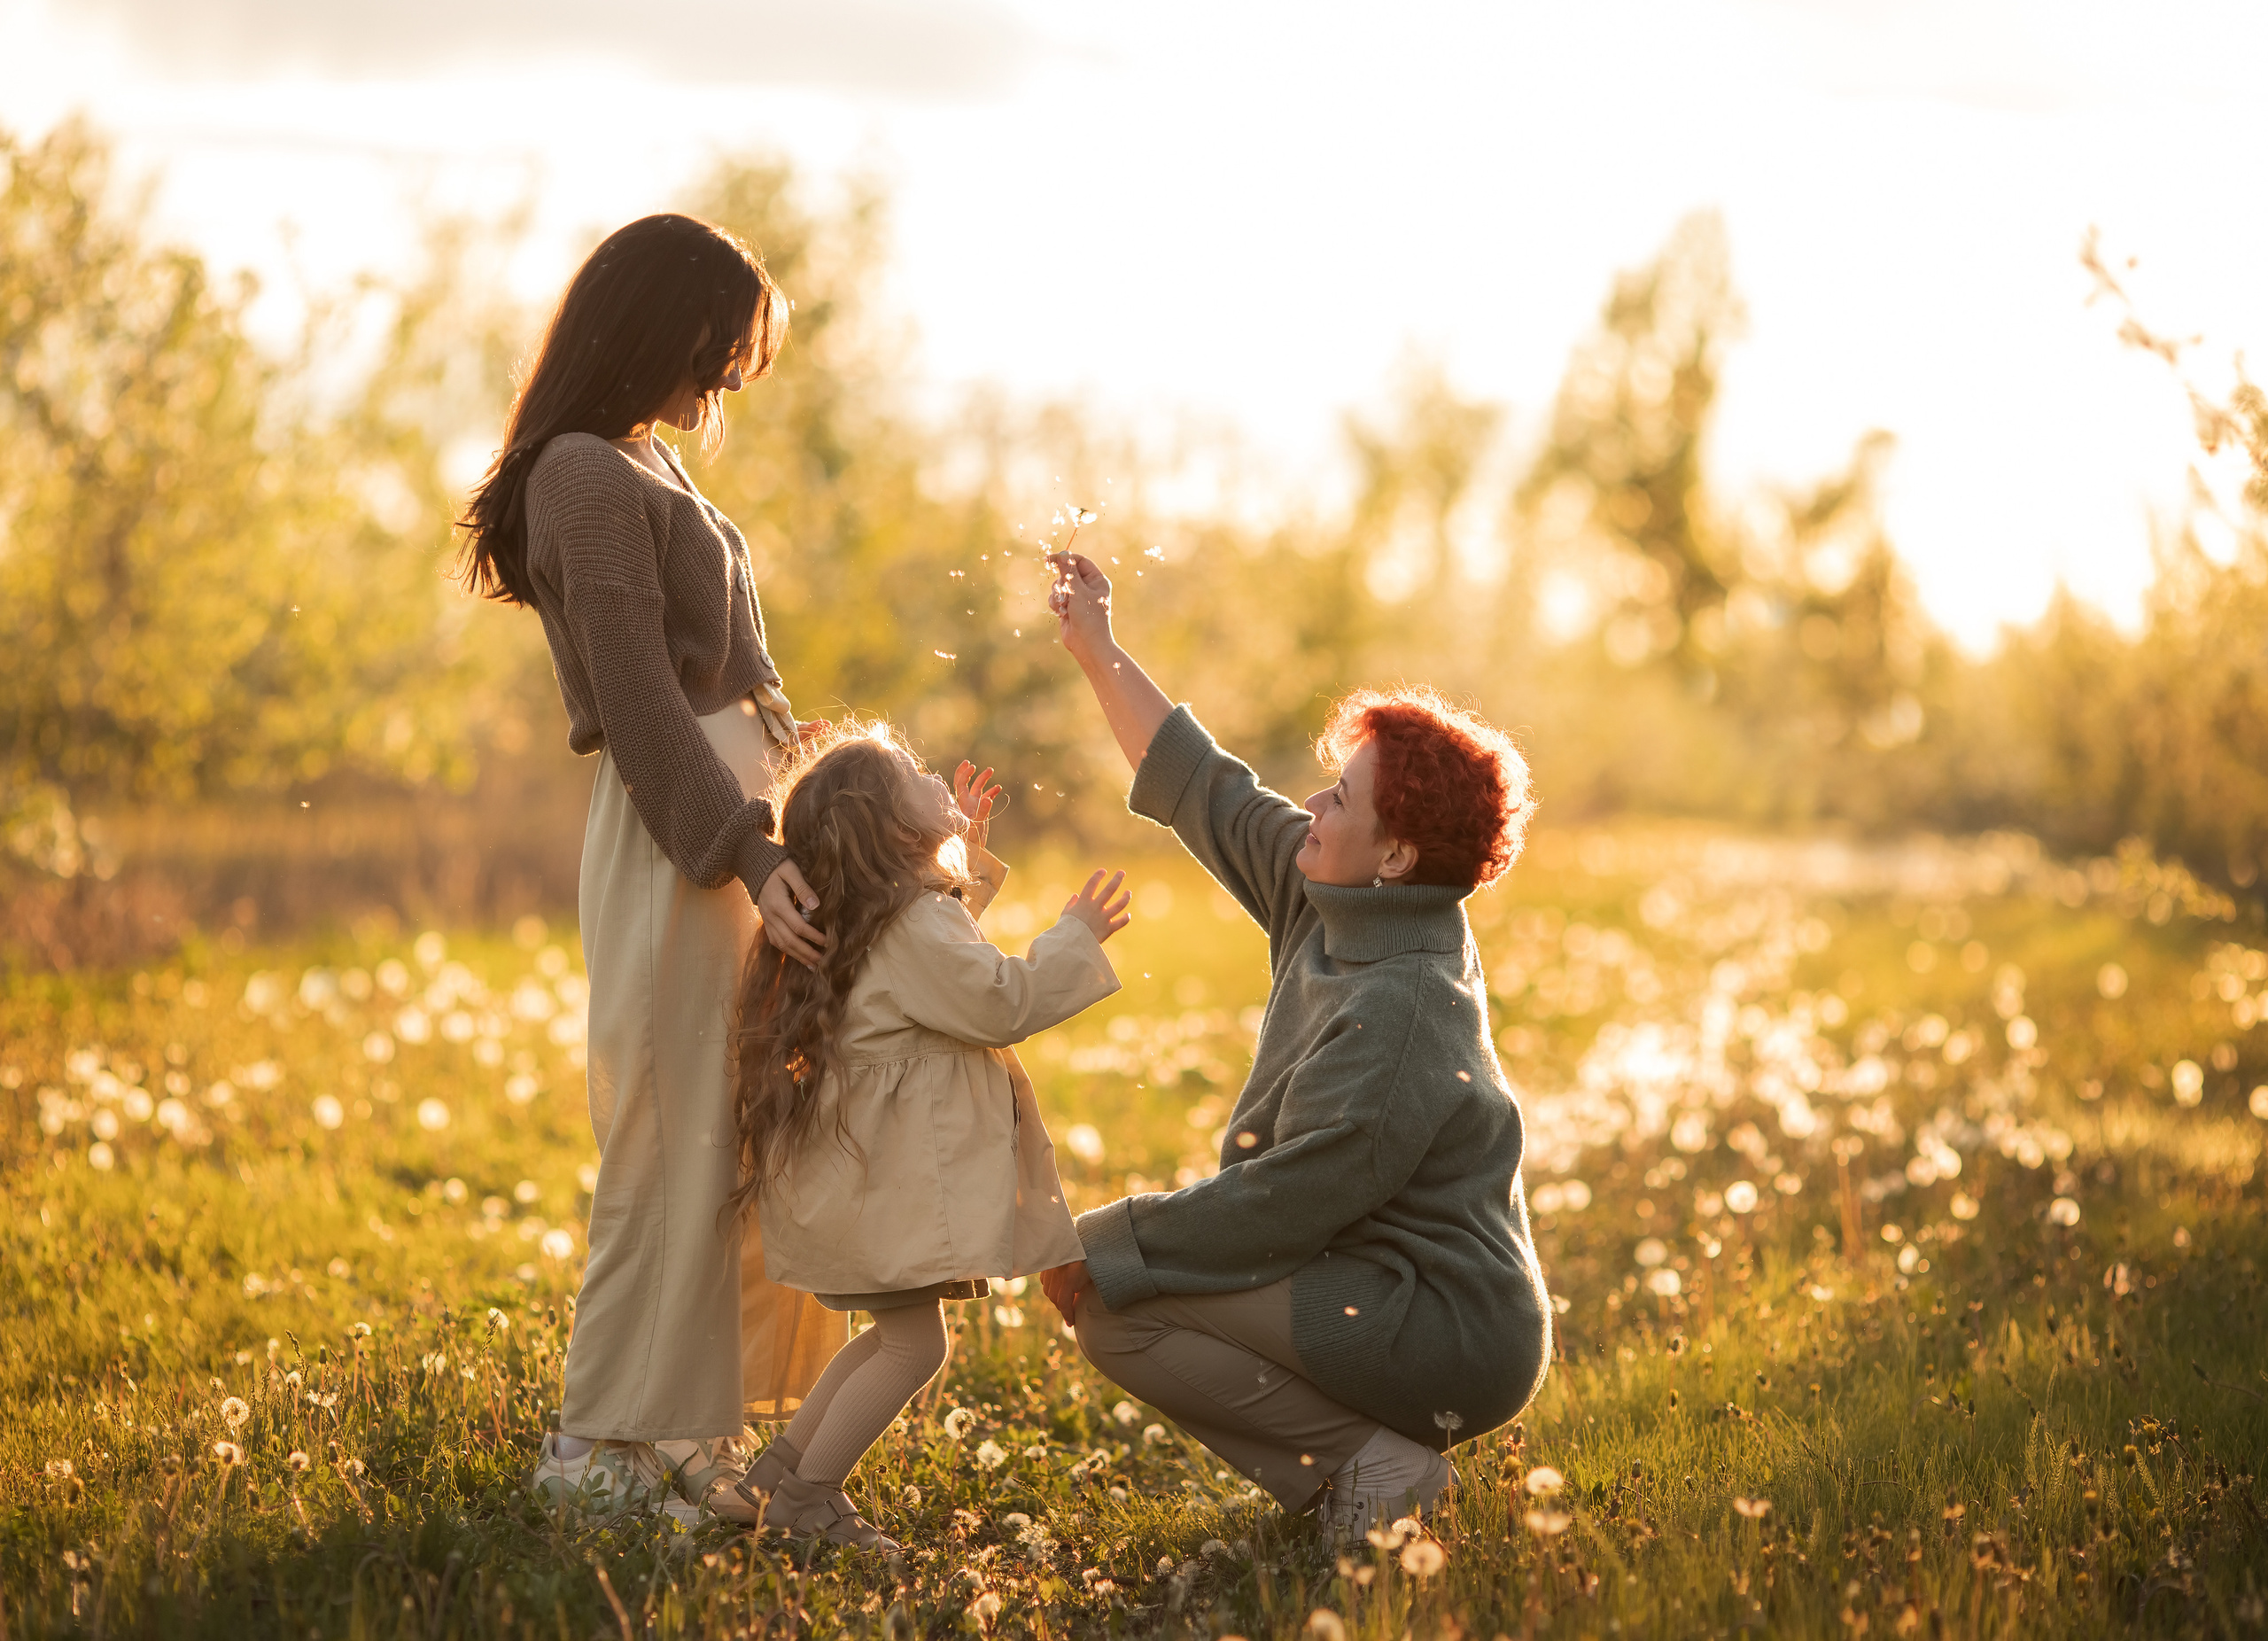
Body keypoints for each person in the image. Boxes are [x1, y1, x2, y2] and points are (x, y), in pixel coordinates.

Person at [454, 213, 843, 1522]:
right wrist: (743, 845)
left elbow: (742, 676)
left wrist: (825, 798)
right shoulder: (579, 473)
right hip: (685, 836)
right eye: (717, 346)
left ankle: (691, 1430)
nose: (726, 376)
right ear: (654, 325)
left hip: (743, 824)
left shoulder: (646, 457)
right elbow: (637, 699)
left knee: (745, 1118)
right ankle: (596, 1448)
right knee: (670, 1129)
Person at [1038, 549, 1553, 1537]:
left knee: (1120, 1308)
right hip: (1369, 1277)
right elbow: (1202, 784)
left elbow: (1287, 1202)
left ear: (1396, 853)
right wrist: (1097, 647)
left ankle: (1372, 1470)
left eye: (1340, 800)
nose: (1312, 807)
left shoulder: (1406, 1005)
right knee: (1124, 1295)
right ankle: (1359, 1472)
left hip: (1444, 1322)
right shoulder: (1337, 888)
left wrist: (1101, 1242)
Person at [723, 727, 1132, 1549]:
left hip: (866, 1180)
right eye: (912, 774)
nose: (930, 772)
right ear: (893, 829)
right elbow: (995, 998)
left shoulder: (885, 918)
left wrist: (963, 853)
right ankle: (807, 1498)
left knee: (896, 1336)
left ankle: (773, 1481)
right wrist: (1075, 936)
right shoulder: (912, 924)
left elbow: (936, 964)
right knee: (915, 1349)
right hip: (890, 1183)